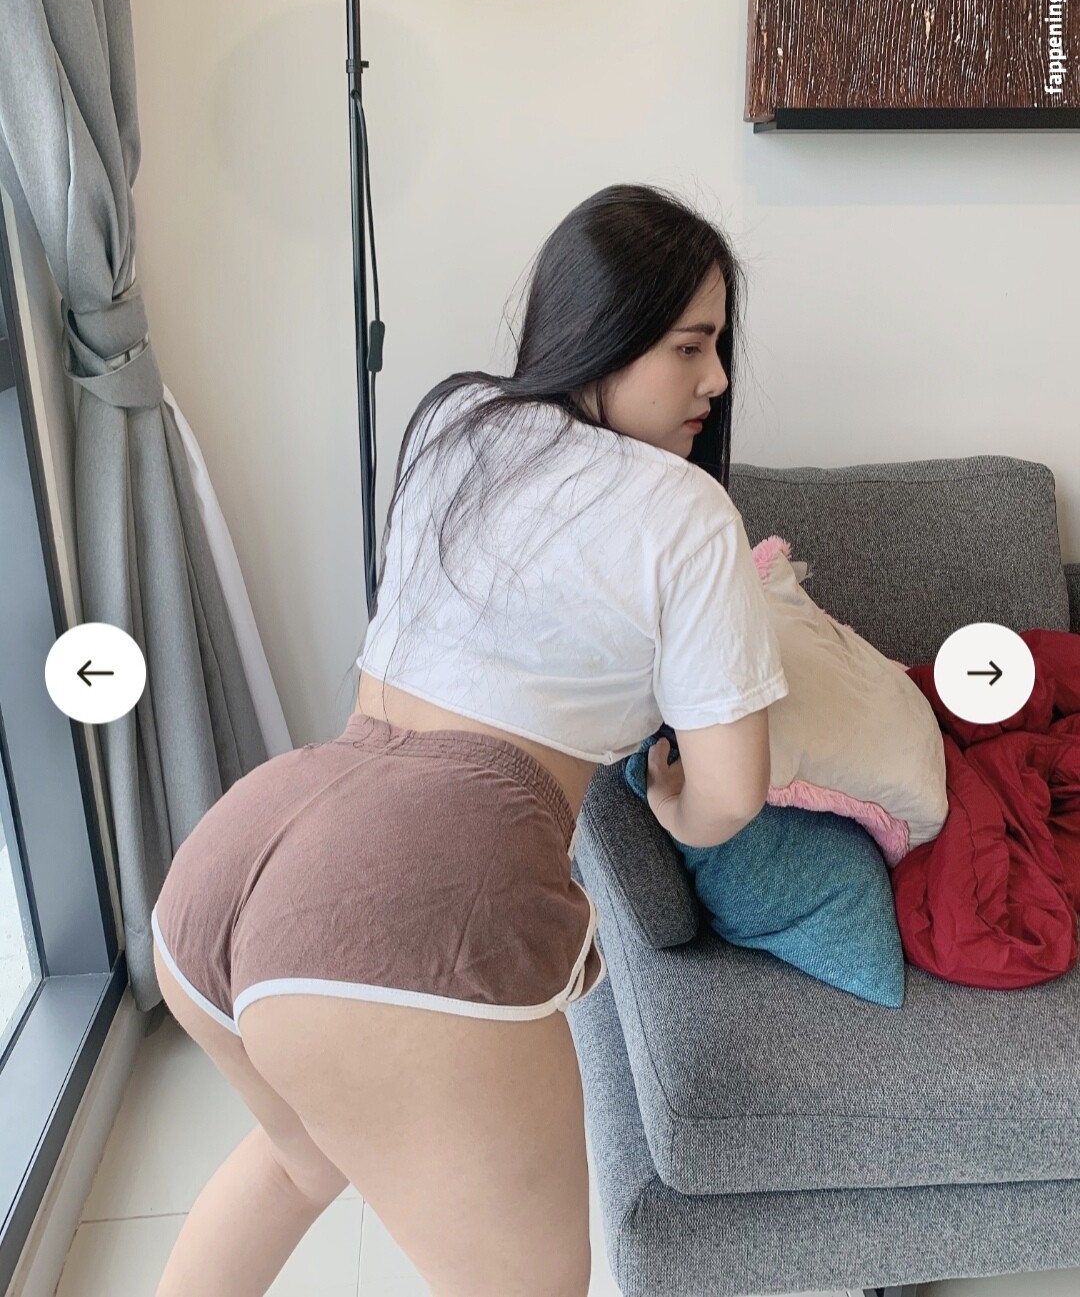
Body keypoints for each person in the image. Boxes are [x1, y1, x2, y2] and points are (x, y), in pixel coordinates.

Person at [149, 182, 789, 1296]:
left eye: (719, 346)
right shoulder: (686, 513)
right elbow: (731, 796)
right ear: (605, 332)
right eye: (690, 346)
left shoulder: (457, 426)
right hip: (405, 906)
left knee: (295, 1166)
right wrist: (671, 798)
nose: (717, 380)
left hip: (236, 863)